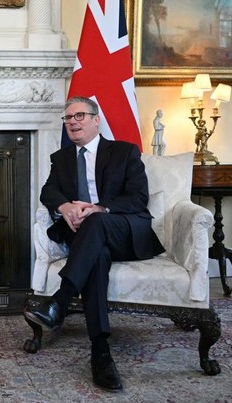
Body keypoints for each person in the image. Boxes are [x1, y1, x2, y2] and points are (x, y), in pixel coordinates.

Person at [24, 96, 164, 392]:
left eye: (79, 116)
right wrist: (65, 208)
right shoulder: (61, 158)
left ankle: (60, 301)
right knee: (96, 255)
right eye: (67, 118)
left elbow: (138, 198)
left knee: (96, 221)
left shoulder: (124, 152)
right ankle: (100, 352)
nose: (72, 122)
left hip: (123, 231)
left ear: (96, 120)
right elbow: (49, 192)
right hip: (89, 239)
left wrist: (98, 208)